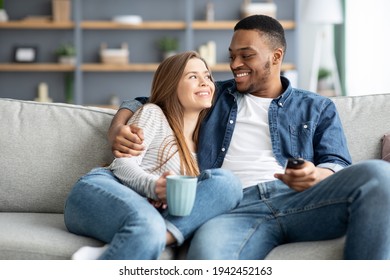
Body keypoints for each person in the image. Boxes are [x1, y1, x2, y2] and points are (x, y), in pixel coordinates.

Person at [109, 15, 390, 260]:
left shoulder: (317, 107)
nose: (235, 64)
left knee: (380, 174)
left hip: (301, 201)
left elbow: (337, 161)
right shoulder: (214, 95)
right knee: (207, 259)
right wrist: (118, 126)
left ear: (276, 56)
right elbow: (151, 99)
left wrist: (316, 175)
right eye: (232, 55)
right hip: (232, 207)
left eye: (246, 55)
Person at [64, 51, 242, 260]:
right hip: (102, 189)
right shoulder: (153, 114)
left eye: (207, 76)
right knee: (149, 225)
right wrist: (154, 186)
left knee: (228, 184)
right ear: (171, 86)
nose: (205, 82)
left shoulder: (203, 151)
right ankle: (140, 239)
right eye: (193, 77)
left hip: (151, 216)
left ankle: (130, 244)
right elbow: (121, 165)